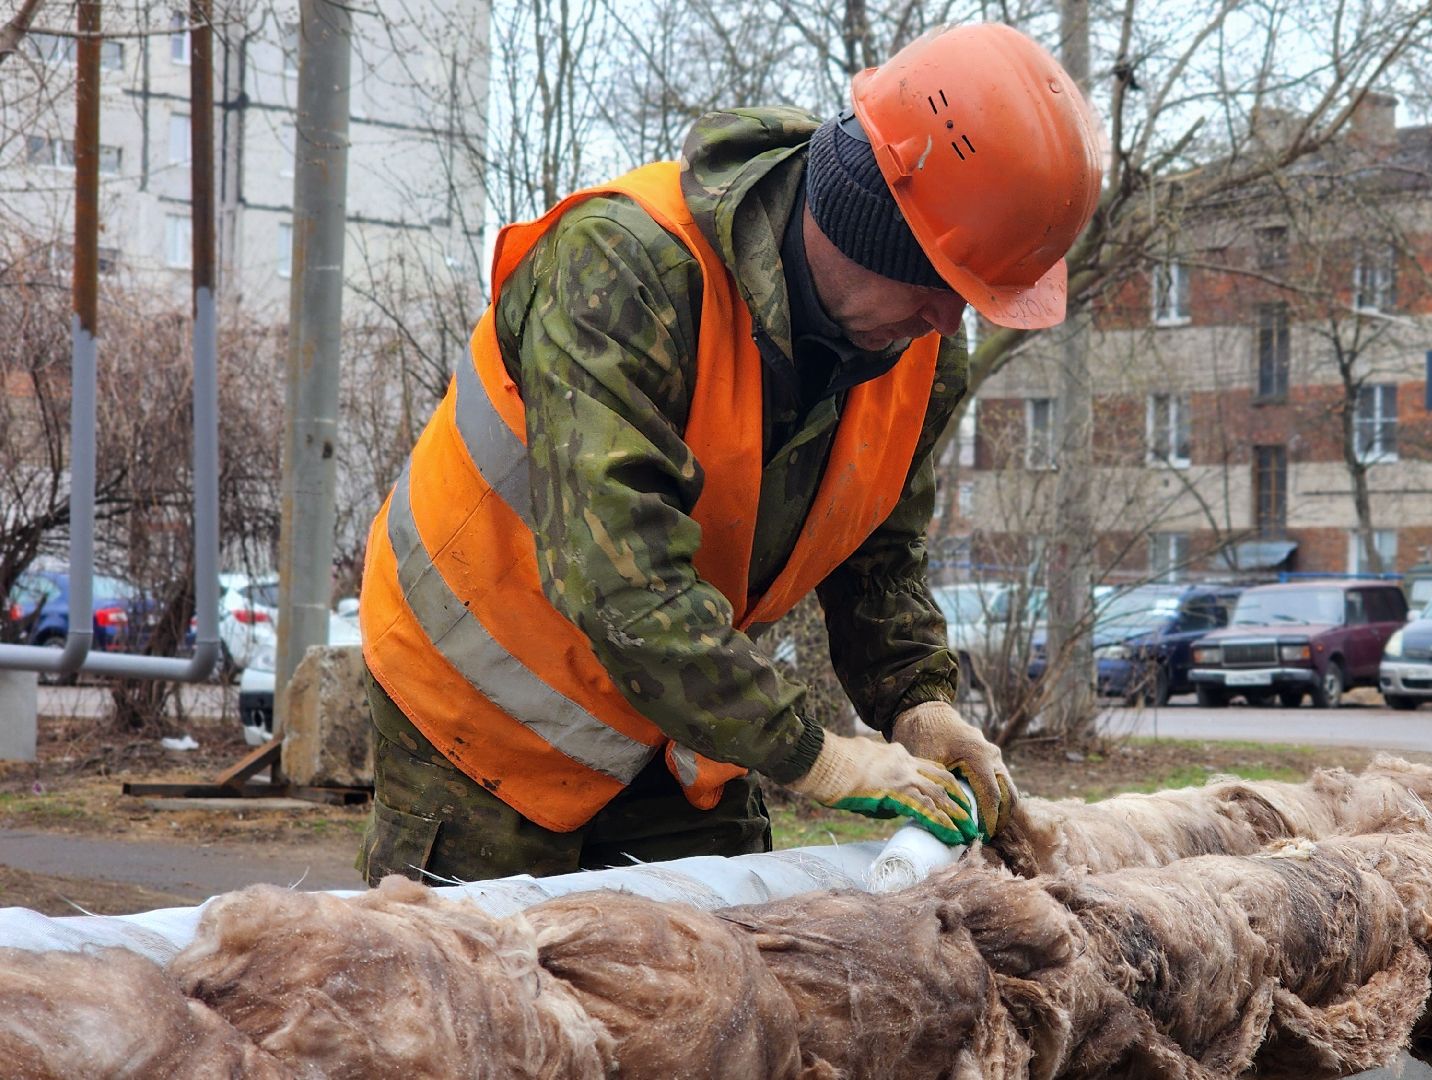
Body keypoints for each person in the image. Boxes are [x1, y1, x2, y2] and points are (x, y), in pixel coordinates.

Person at [354, 22, 1102, 883]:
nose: (949, 322)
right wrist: (820, 756)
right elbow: (621, 585)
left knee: (725, 990)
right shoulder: (623, 271)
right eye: (944, 283)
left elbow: (878, 559)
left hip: (685, 715)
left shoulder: (919, 351)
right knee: (481, 1001)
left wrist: (918, 703)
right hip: (476, 714)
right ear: (874, 224)